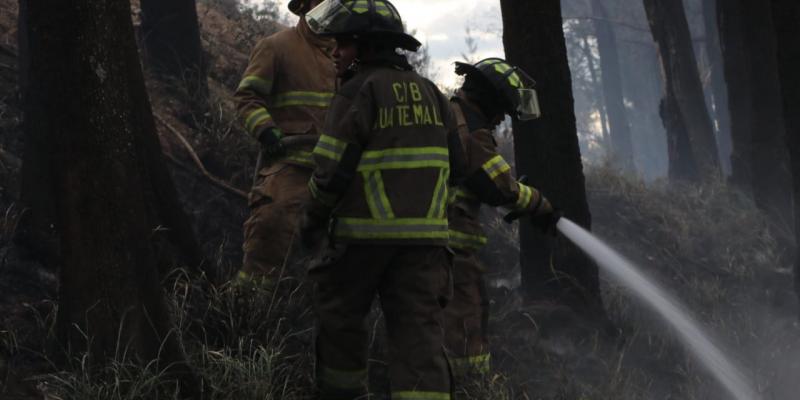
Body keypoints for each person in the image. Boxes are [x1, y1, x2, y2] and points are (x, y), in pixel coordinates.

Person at [298, 0, 467, 398]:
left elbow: (331, 171)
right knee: (420, 339)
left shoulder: (358, 91)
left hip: (361, 241)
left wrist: (311, 220)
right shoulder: (433, 93)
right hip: (425, 246)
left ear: (366, 47)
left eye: (343, 44)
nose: (335, 52)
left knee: (341, 326)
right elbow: (459, 167)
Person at [444, 58, 557, 377]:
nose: (500, 120)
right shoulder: (471, 128)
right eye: (502, 111)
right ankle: (470, 384)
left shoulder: (452, 115)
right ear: (490, 100)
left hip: (437, 240)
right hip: (450, 243)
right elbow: (498, 187)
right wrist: (539, 203)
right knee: (466, 316)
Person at [234, 0, 336, 280]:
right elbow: (247, 97)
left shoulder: (350, 55)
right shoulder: (277, 47)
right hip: (291, 167)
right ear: (303, 5)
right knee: (271, 226)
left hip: (339, 173)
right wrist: (265, 129)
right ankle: (250, 302)